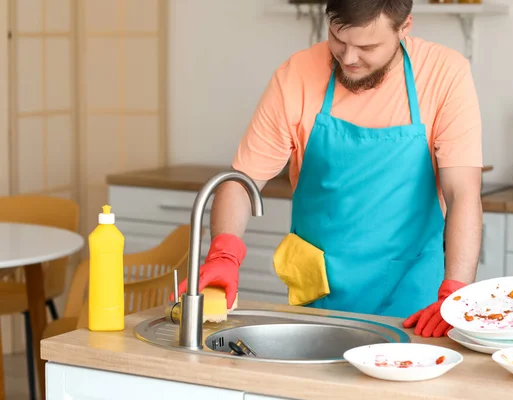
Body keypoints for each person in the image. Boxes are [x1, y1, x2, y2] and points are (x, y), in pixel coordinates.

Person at [177, 0, 483, 338]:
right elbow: (241, 181)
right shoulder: (296, 75)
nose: (348, 58)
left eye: (367, 46)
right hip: (320, 295)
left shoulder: (444, 73)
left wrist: (456, 291)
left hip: (414, 297)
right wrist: (224, 253)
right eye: (338, 38)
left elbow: (463, 193)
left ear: (404, 27)